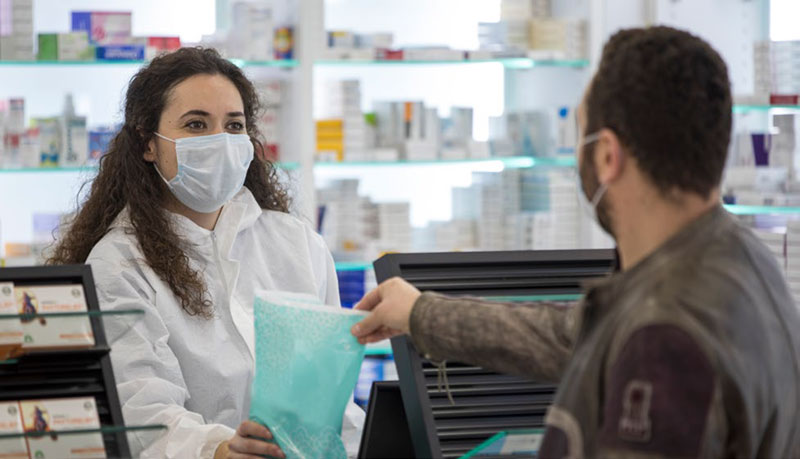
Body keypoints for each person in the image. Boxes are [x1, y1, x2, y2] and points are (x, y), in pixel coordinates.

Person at [351, 26, 800, 457]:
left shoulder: (665, 339)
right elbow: (572, 336)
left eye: (579, 136)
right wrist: (419, 312)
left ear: (607, 156)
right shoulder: (739, 263)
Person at [48, 47, 364, 459]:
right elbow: (144, 412)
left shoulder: (296, 243)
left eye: (234, 126)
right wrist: (217, 449)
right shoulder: (119, 264)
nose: (220, 141)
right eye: (196, 124)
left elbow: (334, 398)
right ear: (148, 144)